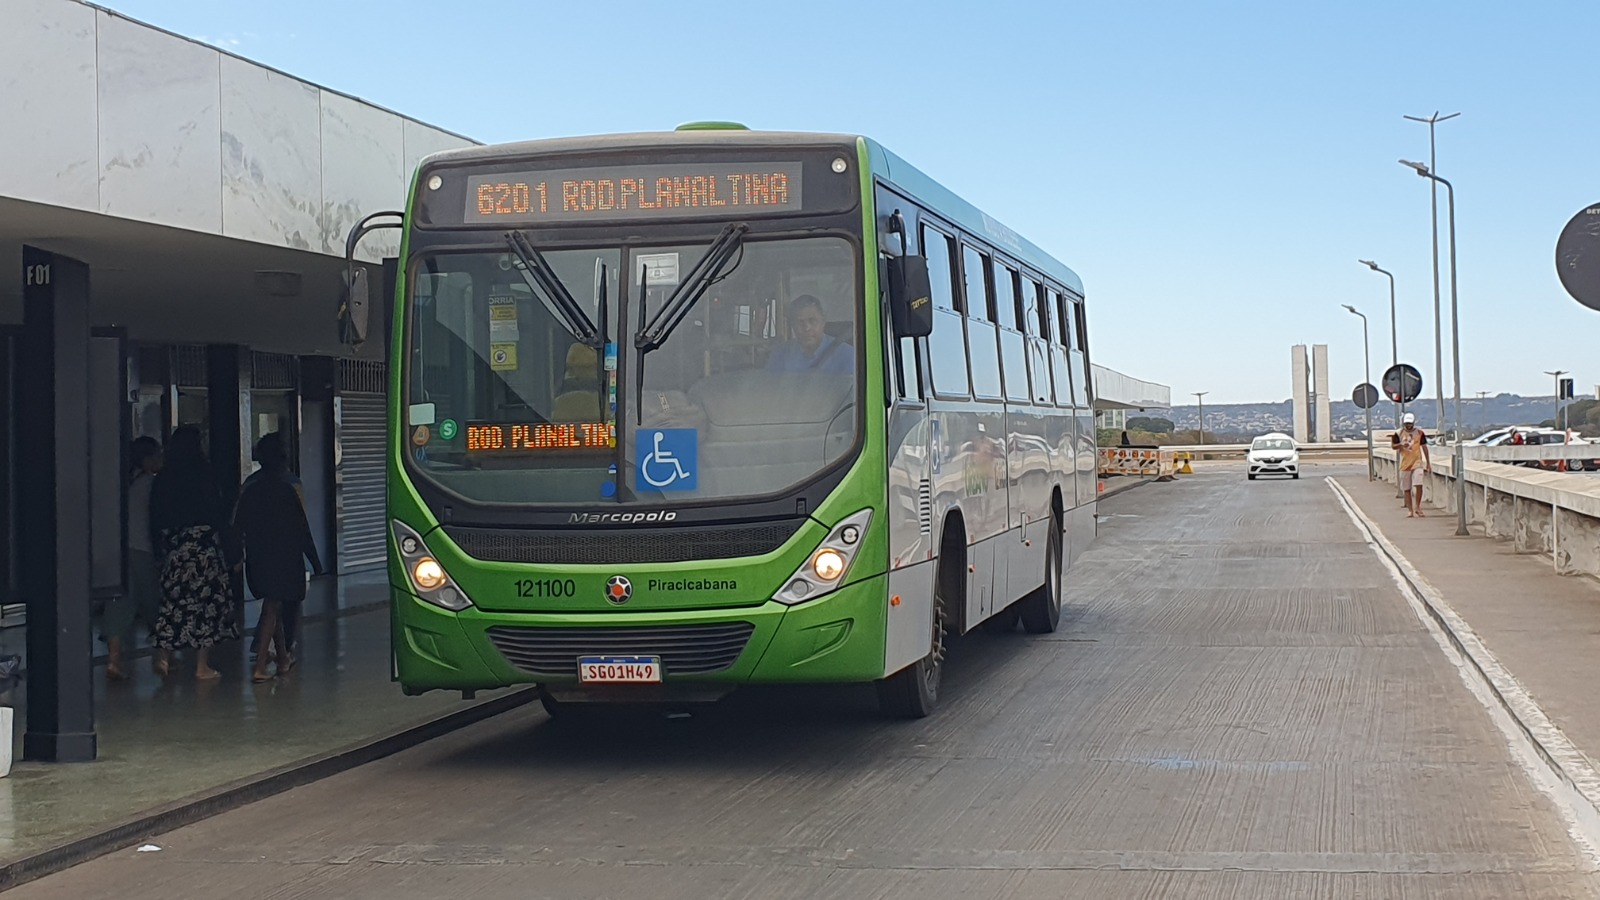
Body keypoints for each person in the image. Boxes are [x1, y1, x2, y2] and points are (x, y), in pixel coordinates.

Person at [150, 425, 240, 680]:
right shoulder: (205, 473)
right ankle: (202, 666)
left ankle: (164, 656)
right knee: (207, 607)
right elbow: (218, 512)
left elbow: (155, 516)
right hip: (204, 548)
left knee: (172, 603)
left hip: (176, 548)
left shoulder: (164, 478)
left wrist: (161, 548)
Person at [234, 433, 324, 682]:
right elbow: (302, 528)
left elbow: (237, 524)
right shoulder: (290, 487)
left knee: (273, 604)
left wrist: (236, 556)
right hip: (286, 557)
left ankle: (283, 658)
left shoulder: (249, 487)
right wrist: (315, 561)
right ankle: (261, 665)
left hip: (258, 556)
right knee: (275, 607)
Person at [103, 437, 163, 681]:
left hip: (119, 552)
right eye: (158, 455)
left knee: (119, 604)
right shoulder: (150, 484)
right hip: (143, 550)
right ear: (147, 459)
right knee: (156, 604)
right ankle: (164, 657)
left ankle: (113, 660)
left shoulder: (123, 482)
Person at [766, 295, 852, 376]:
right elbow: (770, 388)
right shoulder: (780, 354)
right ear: (792, 325)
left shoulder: (847, 355)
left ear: (823, 321)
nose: (807, 328)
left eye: (812, 321)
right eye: (800, 322)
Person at [1390, 412, 1432, 518]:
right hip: (1405, 463)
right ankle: (1410, 510)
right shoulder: (1398, 433)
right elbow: (1393, 446)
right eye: (1407, 423)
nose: (1408, 425)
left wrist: (1428, 462)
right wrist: (1400, 444)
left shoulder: (1419, 433)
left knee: (1419, 484)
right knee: (1406, 488)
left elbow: (1424, 447)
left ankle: (1418, 507)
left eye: (1410, 423)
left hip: (1417, 462)